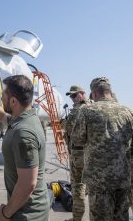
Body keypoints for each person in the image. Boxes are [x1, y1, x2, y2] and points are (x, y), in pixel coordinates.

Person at [0, 75, 50, 221]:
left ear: (13, 101)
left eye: (4, 95)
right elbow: (2, 116)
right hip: (27, 209)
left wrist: (5, 214)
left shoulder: (23, 133)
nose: (1, 98)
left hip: (28, 214)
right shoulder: (26, 118)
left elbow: (27, 184)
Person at [71, 77, 133, 221]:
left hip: (99, 181)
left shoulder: (87, 111)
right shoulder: (127, 111)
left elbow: (77, 139)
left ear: (94, 93)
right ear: (109, 91)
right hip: (122, 179)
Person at [64, 85, 90, 221]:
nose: (72, 98)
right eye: (71, 96)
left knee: (78, 187)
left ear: (82, 94)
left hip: (79, 155)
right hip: (87, 155)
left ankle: (77, 219)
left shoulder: (82, 110)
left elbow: (72, 132)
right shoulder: (90, 108)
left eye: (74, 95)